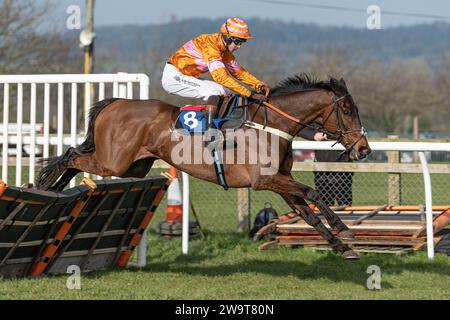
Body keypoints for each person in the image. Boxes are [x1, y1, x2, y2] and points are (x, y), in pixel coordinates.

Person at [161, 17, 269, 123]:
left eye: (242, 42)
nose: (239, 46)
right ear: (227, 37)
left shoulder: (224, 50)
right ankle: (210, 130)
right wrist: (250, 94)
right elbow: (221, 78)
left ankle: (225, 123)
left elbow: (238, 72)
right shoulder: (210, 46)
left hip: (187, 76)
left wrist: (259, 85)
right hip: (174, 77)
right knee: (215, 91)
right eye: (237, 42)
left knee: (229, 92)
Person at [298, 125, 354, 207]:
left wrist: (327, 135)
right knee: (324, 204)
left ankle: (345, 219)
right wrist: (314, 135)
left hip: (341, 168)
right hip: (321, 169)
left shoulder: (343, 117)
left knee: (344, 204)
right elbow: (301, 129)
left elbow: (352, 131)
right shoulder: (318, 119)